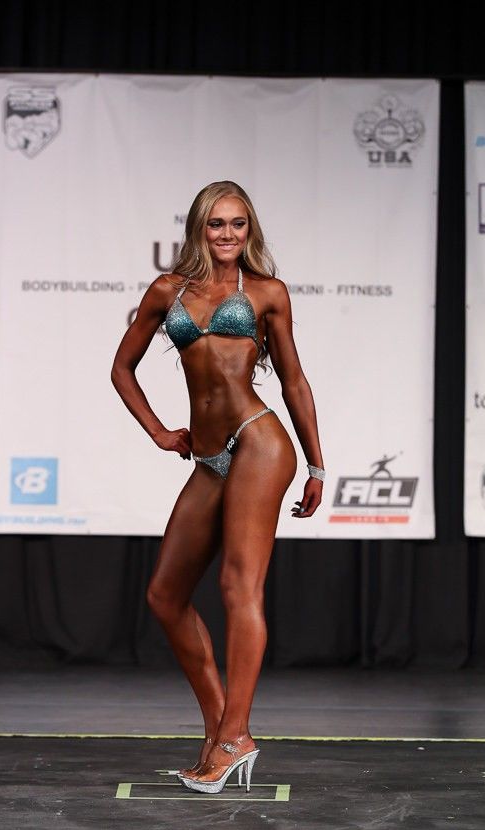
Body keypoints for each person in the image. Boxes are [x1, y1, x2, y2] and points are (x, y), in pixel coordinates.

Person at [111, 180, 325, 794]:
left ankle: (236, 736)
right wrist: (158, 431)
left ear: (249, 230)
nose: (227, 234)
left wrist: (316, 466)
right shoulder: (168, 291)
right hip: (208, 456)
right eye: (216, 224)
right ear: (199, 229)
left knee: (238, 586)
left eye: (238, 224)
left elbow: (294, 381)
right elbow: (121, 368)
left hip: (259, 441)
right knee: (164, 594)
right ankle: (217, 726)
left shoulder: (267, 292)